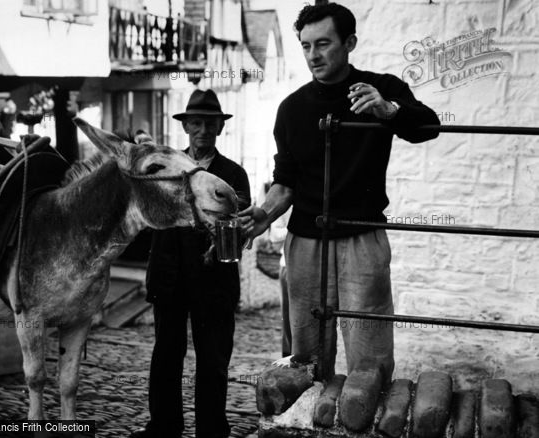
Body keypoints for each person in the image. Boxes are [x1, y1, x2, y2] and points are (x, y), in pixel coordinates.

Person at [239, 3, 440, 383]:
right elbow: (285, 184)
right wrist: (263, 215)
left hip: (362, 238)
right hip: (305, 243)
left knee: (371, 355)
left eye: (324, 44)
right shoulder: (291, 109)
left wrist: (389, 111)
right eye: (306, 46)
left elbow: (429, 126)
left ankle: (367, 412)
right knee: (307, 355)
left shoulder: (381, 89)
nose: (313, 55)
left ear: (349, 43)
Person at [130, 89, 251, 438]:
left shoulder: (233, 174)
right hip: (169, 275)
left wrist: (230, 231)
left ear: (219, 128)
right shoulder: (171, 168)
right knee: (166, 354)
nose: (202, 130)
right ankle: (163, 427)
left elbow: (240, 226)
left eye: (209, 124)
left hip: (214, 279)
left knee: (212, 359)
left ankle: (212, 431)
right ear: (186, 127)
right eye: (196, 123)